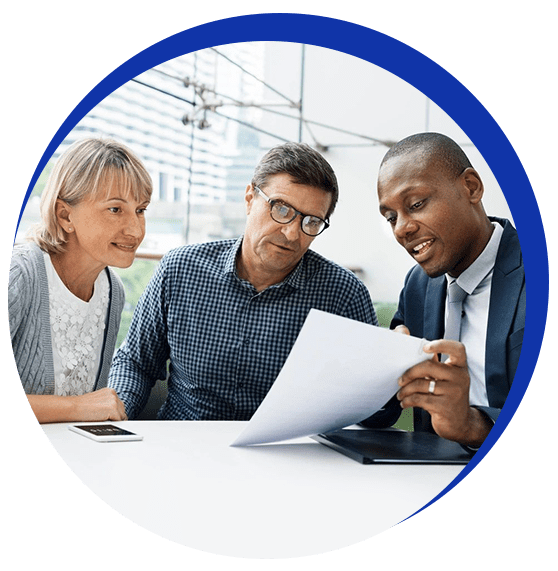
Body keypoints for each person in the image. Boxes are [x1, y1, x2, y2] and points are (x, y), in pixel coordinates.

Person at [109, 142, 377, 420]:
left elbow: (370, 406)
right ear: (250, 198)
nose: (292, 234)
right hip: (182, 447)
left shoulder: (343, 294)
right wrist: (116, 415)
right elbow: (135, 363)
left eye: (310, 222)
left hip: (286, 456)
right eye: (281, 209)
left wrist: (391, 376)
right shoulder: (180, 270)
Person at [362, 132, 525, 449]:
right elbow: (384, 412)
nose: (402, 229)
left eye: (417, 204)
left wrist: (473, 426)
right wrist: (374, 376)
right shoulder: (417, 285)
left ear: (471, 188)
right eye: (391, 217)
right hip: (424, 480)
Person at [8, 138, 153, 423]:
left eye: (141, 210)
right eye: (115, 209)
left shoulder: (112, 292)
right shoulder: (17, 275)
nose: (135, 230)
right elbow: (85, 407)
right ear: (65, 215)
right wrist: (76, 408)